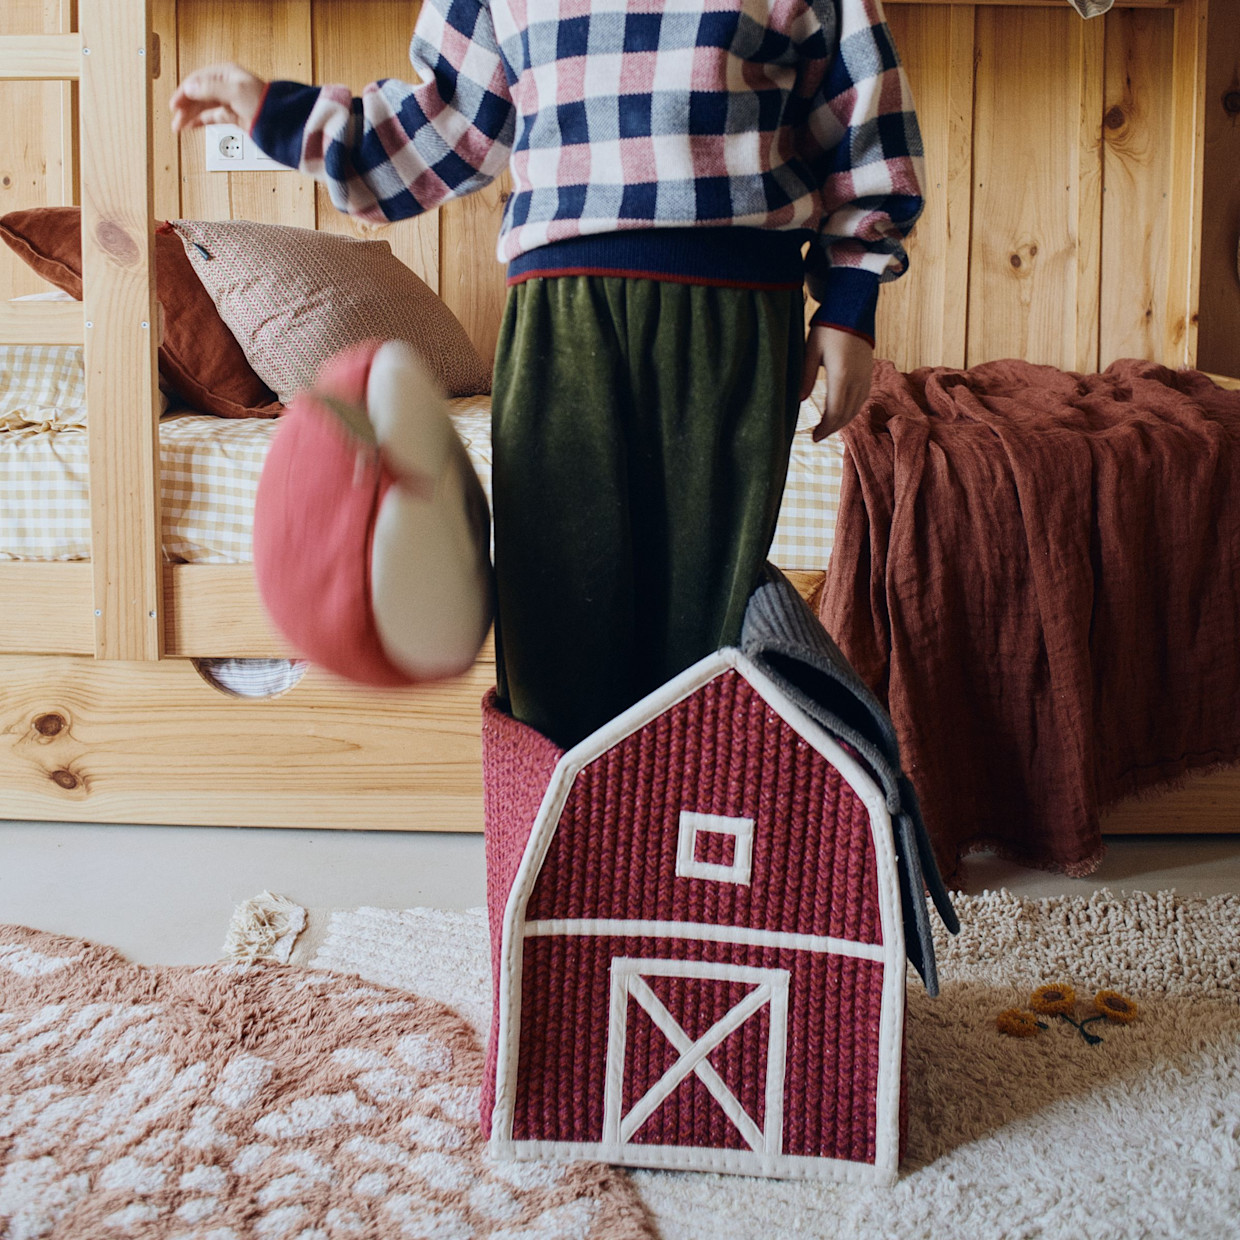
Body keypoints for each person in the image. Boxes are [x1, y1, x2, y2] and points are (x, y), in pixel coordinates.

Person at [170, 0, 924, 749]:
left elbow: (865, 127)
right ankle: (563, 852)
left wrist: (849, 302)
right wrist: (279, 115)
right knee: (557, 606)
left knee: (710, 618)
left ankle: (690, 849)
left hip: (731, 319)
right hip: (562, 317)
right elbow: (443, 126)